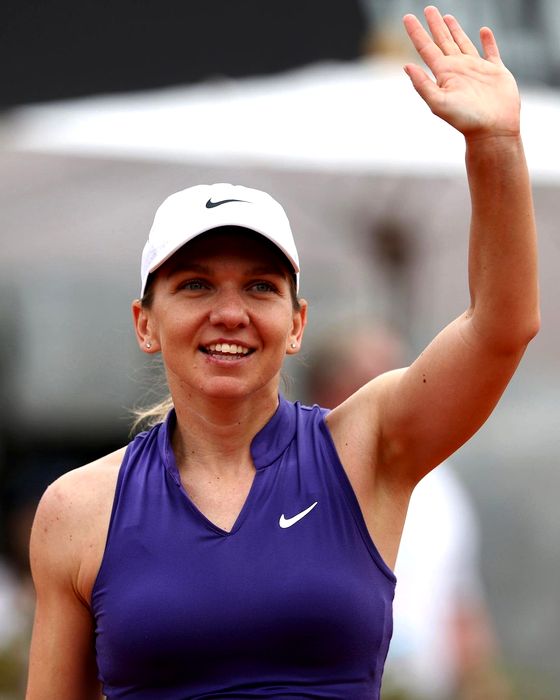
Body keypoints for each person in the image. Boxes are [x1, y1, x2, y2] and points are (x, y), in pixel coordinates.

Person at [26, 7, 539, 699]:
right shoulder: (77, 508)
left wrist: (496, 144)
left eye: (260, 287)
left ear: (296, 324)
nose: (229, 312)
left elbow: (501, 328)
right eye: (195, 284)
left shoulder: (365, 446)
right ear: (146, 323)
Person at [306, 324, 513, 699]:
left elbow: (458, 599)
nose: (399, 393)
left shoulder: (438, 485)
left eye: (404, 375)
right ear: (328, 394)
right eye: (374, 381)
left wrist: (481, 682)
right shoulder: (299, 482)